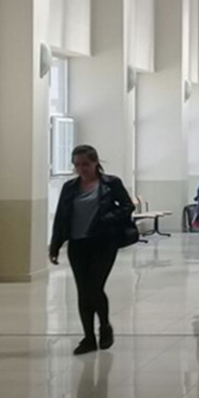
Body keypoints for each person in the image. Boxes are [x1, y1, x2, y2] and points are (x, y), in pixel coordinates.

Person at [50, 145, 135, 355]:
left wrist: (108, 218)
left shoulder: (110, 183)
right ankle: (88, 337)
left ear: (96, 162)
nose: (81, 169)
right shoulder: (70, 187)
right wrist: (55, 244)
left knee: (94, 287)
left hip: (103, 242)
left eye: (86, 164)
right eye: (77, 165)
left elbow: (127, 206)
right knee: (83, 291)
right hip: (78, 244)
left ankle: (104, 326)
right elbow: (61, 216)